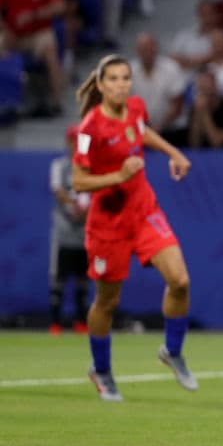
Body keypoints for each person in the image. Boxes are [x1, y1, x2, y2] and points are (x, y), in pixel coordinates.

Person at [72, 55, 199, 401]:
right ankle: (101, 370)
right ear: (100, 85)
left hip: (143, 211)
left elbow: (141, 132)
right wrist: (119, 176)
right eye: (113, 79)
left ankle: (172, 351)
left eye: (125, 78)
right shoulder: (89, 129)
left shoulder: (136, 108)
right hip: (107, 224)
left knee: (180, 280)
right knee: (107, 302)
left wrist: (173, 153)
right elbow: (78, 181)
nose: (121, 84)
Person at [49, 124, 91, 336]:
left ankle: (80, 321)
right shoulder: (60, 166)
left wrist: (86, 208)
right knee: (59, 277)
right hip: (64, 231)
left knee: (83, 277)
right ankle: (55, 322)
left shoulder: (91, 168)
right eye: (74, 142)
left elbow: (94, 194)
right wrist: (77, 204)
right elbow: (58, 190)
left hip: (85, 232)